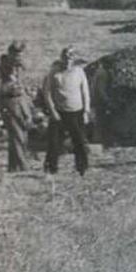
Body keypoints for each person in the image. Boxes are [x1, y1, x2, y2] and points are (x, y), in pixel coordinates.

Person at [41, 47, 91, 176]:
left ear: (74, 60)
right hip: (59, 112)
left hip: (77, 112)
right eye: (65, 58)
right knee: (54, 142)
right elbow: (47, 93)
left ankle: (82, 167)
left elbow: (85, 92)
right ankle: (51, 168)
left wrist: (86, 111)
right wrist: (53, 111)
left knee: (79, 141)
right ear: (61, 58)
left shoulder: (79, 72)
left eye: (70, 59)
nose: (68, 61)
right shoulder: (54, 73)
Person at [0, 42, 34, 172]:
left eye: (20, 56)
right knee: (17, 136)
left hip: (23, 105)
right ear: (9, 54)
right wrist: (9, 89)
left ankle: (13, 167)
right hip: (9, 107)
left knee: (23, 135)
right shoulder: (0, 70)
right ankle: (24, 167)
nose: (18, 58)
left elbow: (24, 85)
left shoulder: (20, 68)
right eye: (15, 55)